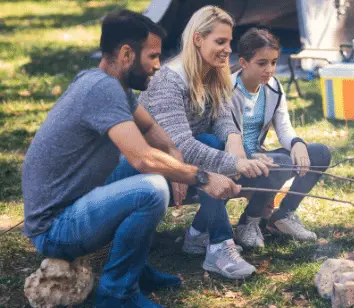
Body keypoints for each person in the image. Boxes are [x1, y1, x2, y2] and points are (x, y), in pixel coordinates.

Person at [21, 10, 240, 308]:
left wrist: (174, 152)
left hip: (79, 204)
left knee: (157, 171)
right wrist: (202, 177)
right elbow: (142, 159)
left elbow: (149, 127)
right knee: (151, 188)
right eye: (151, 57)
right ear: (126, 54)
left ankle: (137, 272)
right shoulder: (102, 89)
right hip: (56, 228)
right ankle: (117, 295)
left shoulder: (110, 84)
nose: (157, 66)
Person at [109, 6, 274, 280]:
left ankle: (199, 235)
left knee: (213, 141)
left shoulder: (212, 73)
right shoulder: (169, 79)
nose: (227, 49)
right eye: (220, 42)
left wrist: (234, 140)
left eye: (229, 42)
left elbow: (222, 119)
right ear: (198, 39)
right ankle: (219, 245)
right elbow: (181, 145)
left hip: (175, 163)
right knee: (209, 146)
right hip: (134, 167)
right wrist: (235, 162)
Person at [226, 28, 332, 248]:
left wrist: (297, 143)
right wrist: (254, 156)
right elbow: (228, 137)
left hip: (259, 157)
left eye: (274, 62)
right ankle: (250, 221)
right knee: (280, 164)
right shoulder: (229, 90)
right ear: (244, 62)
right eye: (262, 63)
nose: (270, 70)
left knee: (320, 153)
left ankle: (283, 215)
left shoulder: (273, 87)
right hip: (231, 161)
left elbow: (284, 128)